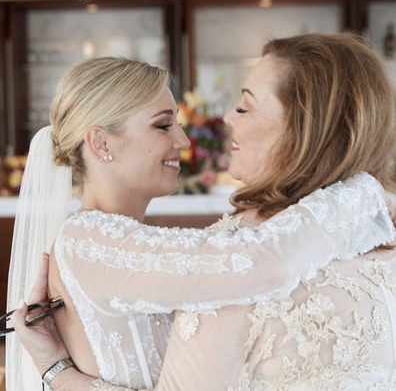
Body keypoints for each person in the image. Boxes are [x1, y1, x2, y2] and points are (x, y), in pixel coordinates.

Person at [8, 32, 396, 391]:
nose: (183, 139)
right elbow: (259, 262)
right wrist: (361, 191)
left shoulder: (147, 245)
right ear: (101, 143)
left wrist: (58, 370)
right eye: (163, 126)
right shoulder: (87, 241)